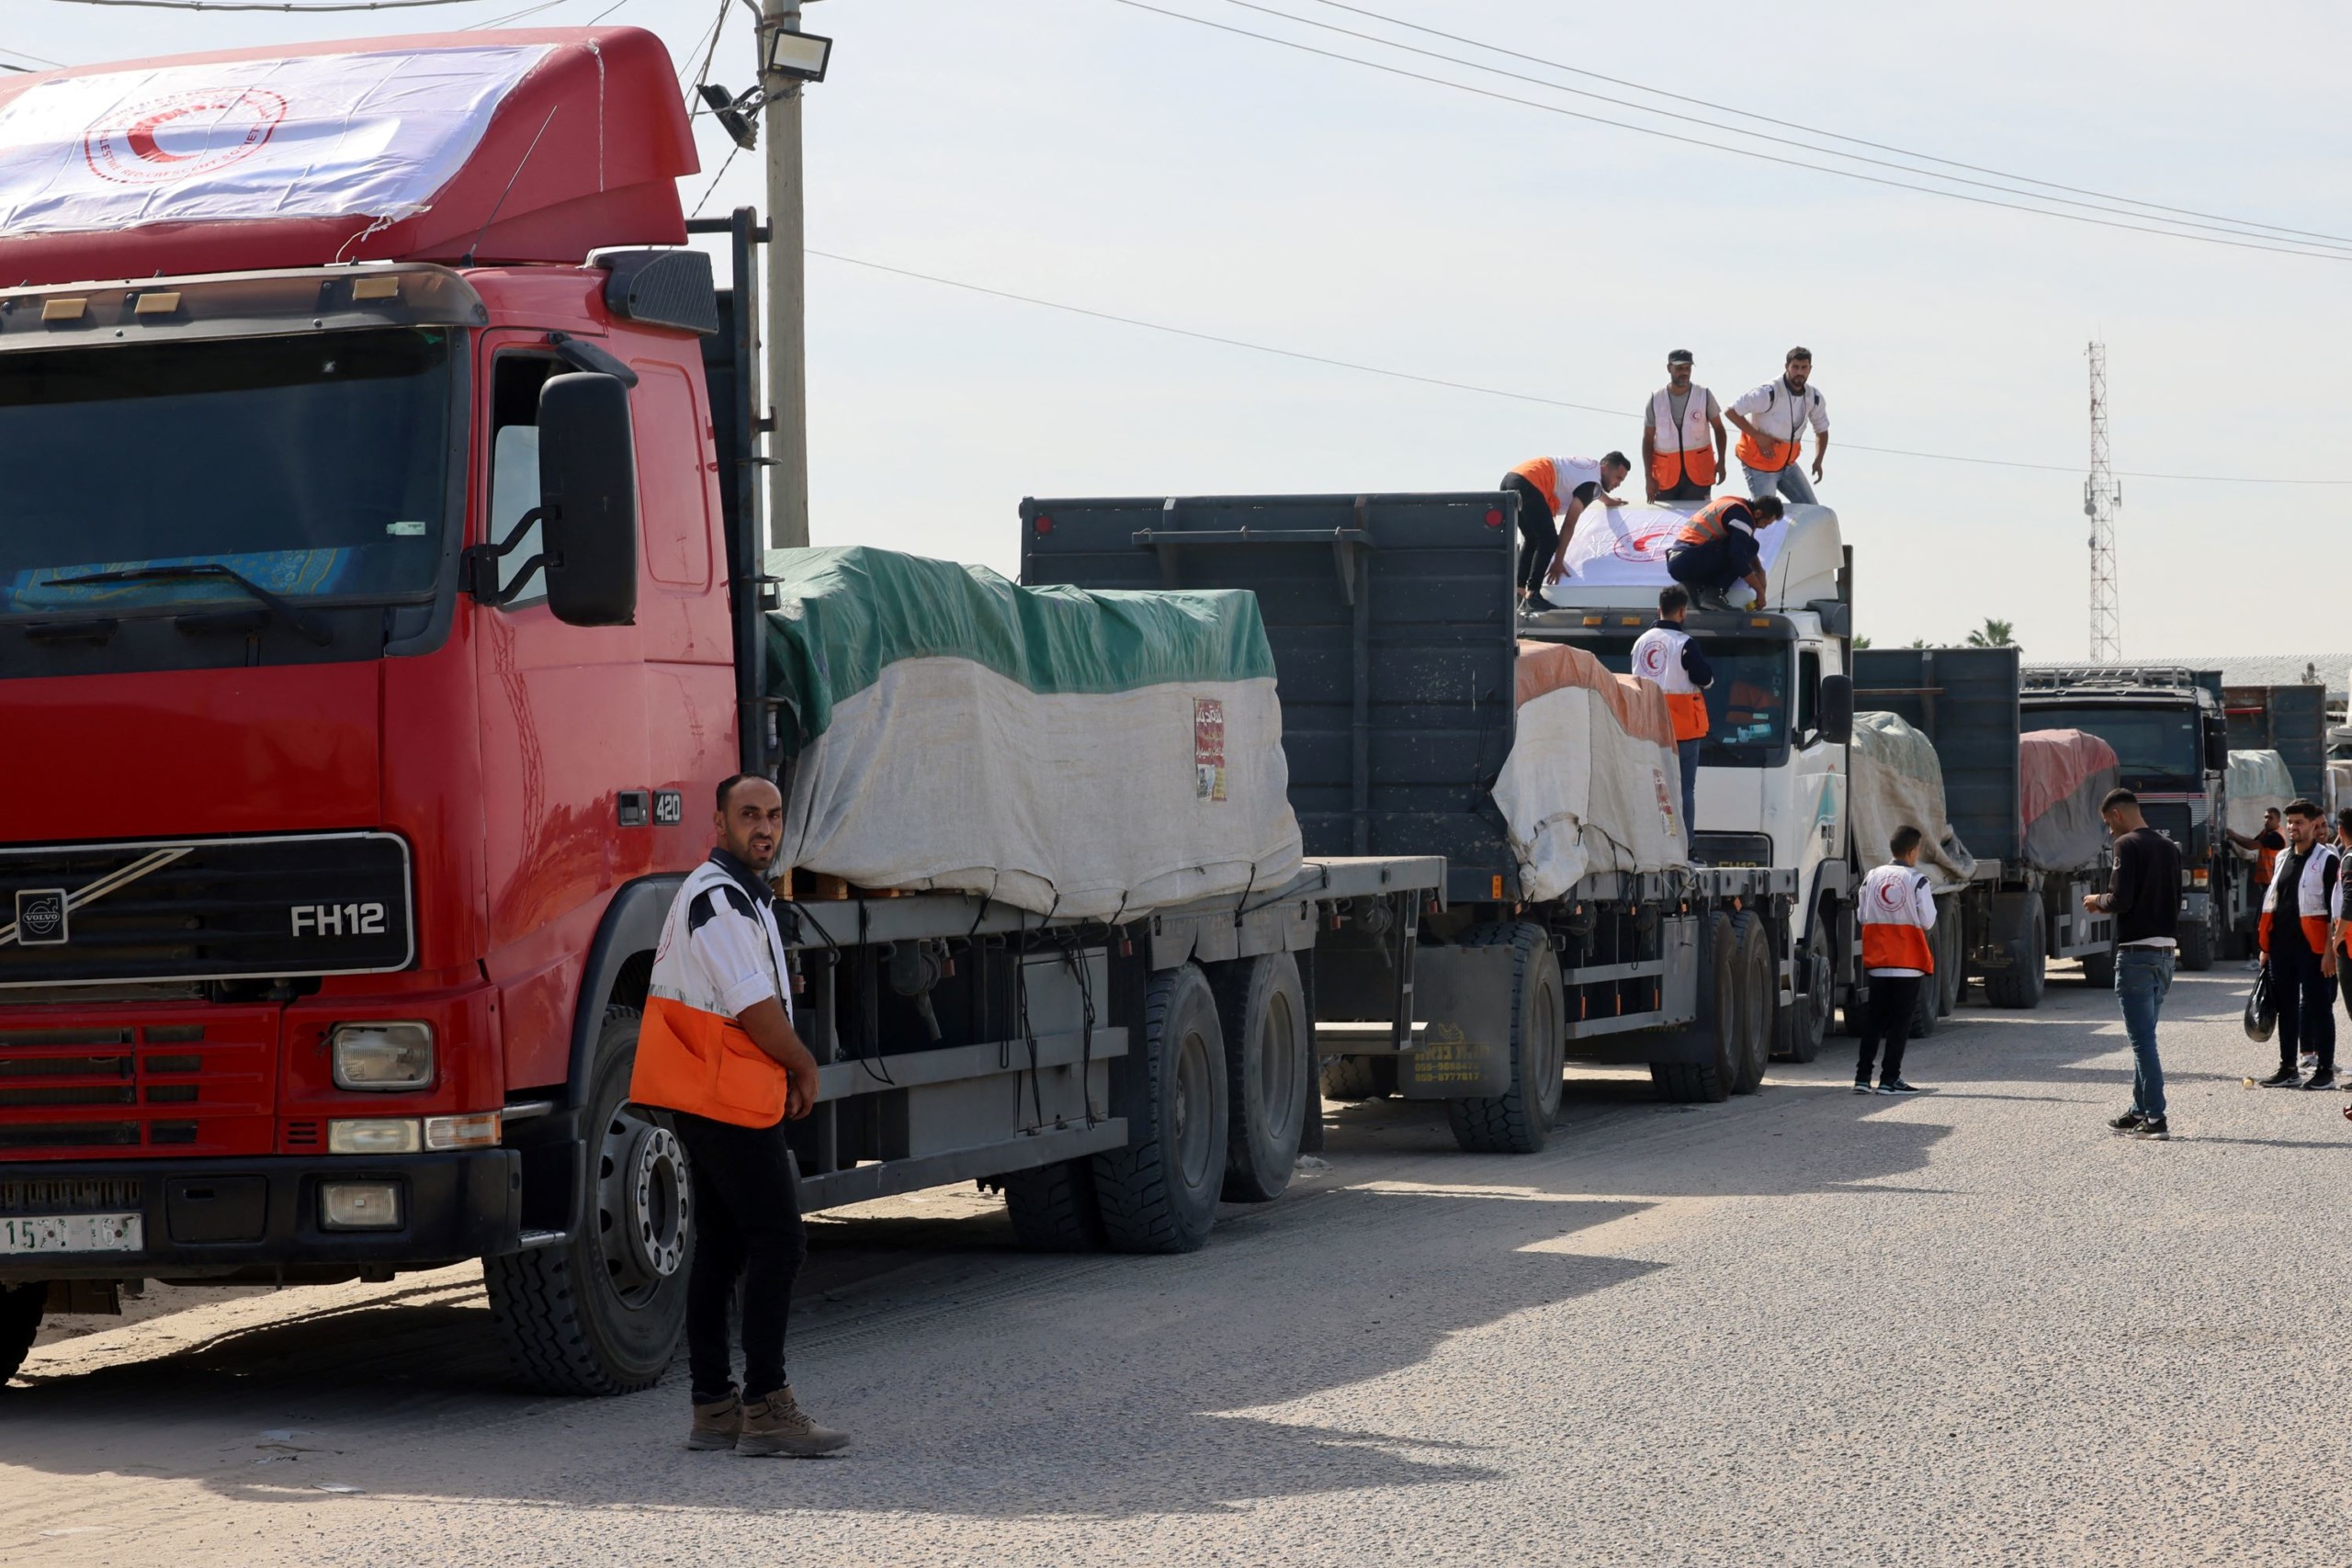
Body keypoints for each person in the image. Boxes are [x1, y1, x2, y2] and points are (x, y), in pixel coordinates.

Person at [628, 773, 848, 1457]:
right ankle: (765, 1404)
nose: (764, 827)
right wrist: (804, 1063)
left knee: (723, 1248)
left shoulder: (733, 894)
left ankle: (714, 1406)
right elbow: (752, 1007)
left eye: (774, 816)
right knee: (780, 1240)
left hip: (714, 1090)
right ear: (718, 826)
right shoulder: (719, 900)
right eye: (749, 815)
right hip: (724, 1096)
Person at [2084, 787, 2182, 1138]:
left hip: (2136, 954)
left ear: (2117, 815)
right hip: (2166, 953)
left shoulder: (2126, 845)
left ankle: (2156, 1119)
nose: (2110, 833)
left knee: (2142, 1042)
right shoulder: (2170, 848)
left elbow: (2121, 899)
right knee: (2146, 1036)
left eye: (2109, 825)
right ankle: (2139, 1110)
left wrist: (2098, 900)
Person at [2253, 798, 2338, 1090]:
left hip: (2313, 949)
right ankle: (2288, 1067)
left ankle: (2325, 1070)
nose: (2292, 828)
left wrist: (2330, 952)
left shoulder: (2327, 860)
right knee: (2285, 1008)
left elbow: (2333, 910)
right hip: (2281, 949)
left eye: (2298, 822)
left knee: (2318, 1008)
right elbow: (2273, 902)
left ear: (2314, 825)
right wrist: (2266, 948)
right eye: (2289, 822)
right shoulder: (2281, 857)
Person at [1854, 825, 1934, 1096]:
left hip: (1878, 961)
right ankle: (1890, 1079)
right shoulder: (1918, 880)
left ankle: (1862, 1079)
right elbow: (1928, 920)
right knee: (1900, 1023)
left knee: (1874, 1020)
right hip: (1908, 962)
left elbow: (1862, 916)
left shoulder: (1872, 876)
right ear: (1912, 852)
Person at [1630, 584, 1713, 840]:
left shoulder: (1641, 642)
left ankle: (1652, 843)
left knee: (1652, 788)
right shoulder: (1684, 644)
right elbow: (1705, 678)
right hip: (1683, 729)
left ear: (1659, 610)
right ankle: (1685, 847)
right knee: (1683, 789)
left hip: (1648, 726)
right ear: (1682, 612)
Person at [1502, 453, 1631, 603]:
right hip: (1531, 483)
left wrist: (1608, 501)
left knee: (1532, 539)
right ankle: (1533, 594)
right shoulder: (1590, 484)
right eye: (1618, 478)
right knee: (1549, 541)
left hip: (1511, 479)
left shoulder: (1589, 471)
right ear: (1605, 468)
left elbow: (1597, 491)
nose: (1618, 484)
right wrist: (1558, 562)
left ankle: (1519, 590)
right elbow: (1569, 523)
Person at [1728, 347, 1830, 505]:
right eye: (1795, 367)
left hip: (1787, 465)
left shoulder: (1813, 397)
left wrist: (1818, 460)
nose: (1799, 372)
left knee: (1812, 509)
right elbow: (1731, 411)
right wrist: (1758, 437)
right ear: (1787, 366)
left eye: (1804, 368)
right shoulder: (1768, 392)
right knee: (1764, 514)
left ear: (1810, 369)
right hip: (1760, 465)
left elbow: (1822, 430)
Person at [1664, 493, 1782, 610]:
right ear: (1758, 513)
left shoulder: (1731, 502)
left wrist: (1759, 570)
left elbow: (1741, 544)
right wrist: (1759, 590)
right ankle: (1714, 594)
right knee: (1751, 546)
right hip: (1690, 558)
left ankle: (1693, 589)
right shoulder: (1742, 517)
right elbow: (1738, 557)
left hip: (1680, 560)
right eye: (1766, 523)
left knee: (1748, 545)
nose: (1764, 527)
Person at [1642, 350, 1727, 504]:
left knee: (1697, 521)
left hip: (1698, 474)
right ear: (1669, 368)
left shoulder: (1704, 395)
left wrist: (1721, 461)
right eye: (1680, 368)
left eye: (1688, 368)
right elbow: (1648, 439)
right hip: (1665, 477)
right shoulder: (1656, 399)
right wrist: (1648, 477)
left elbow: (1719, 430)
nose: (1685, 373)